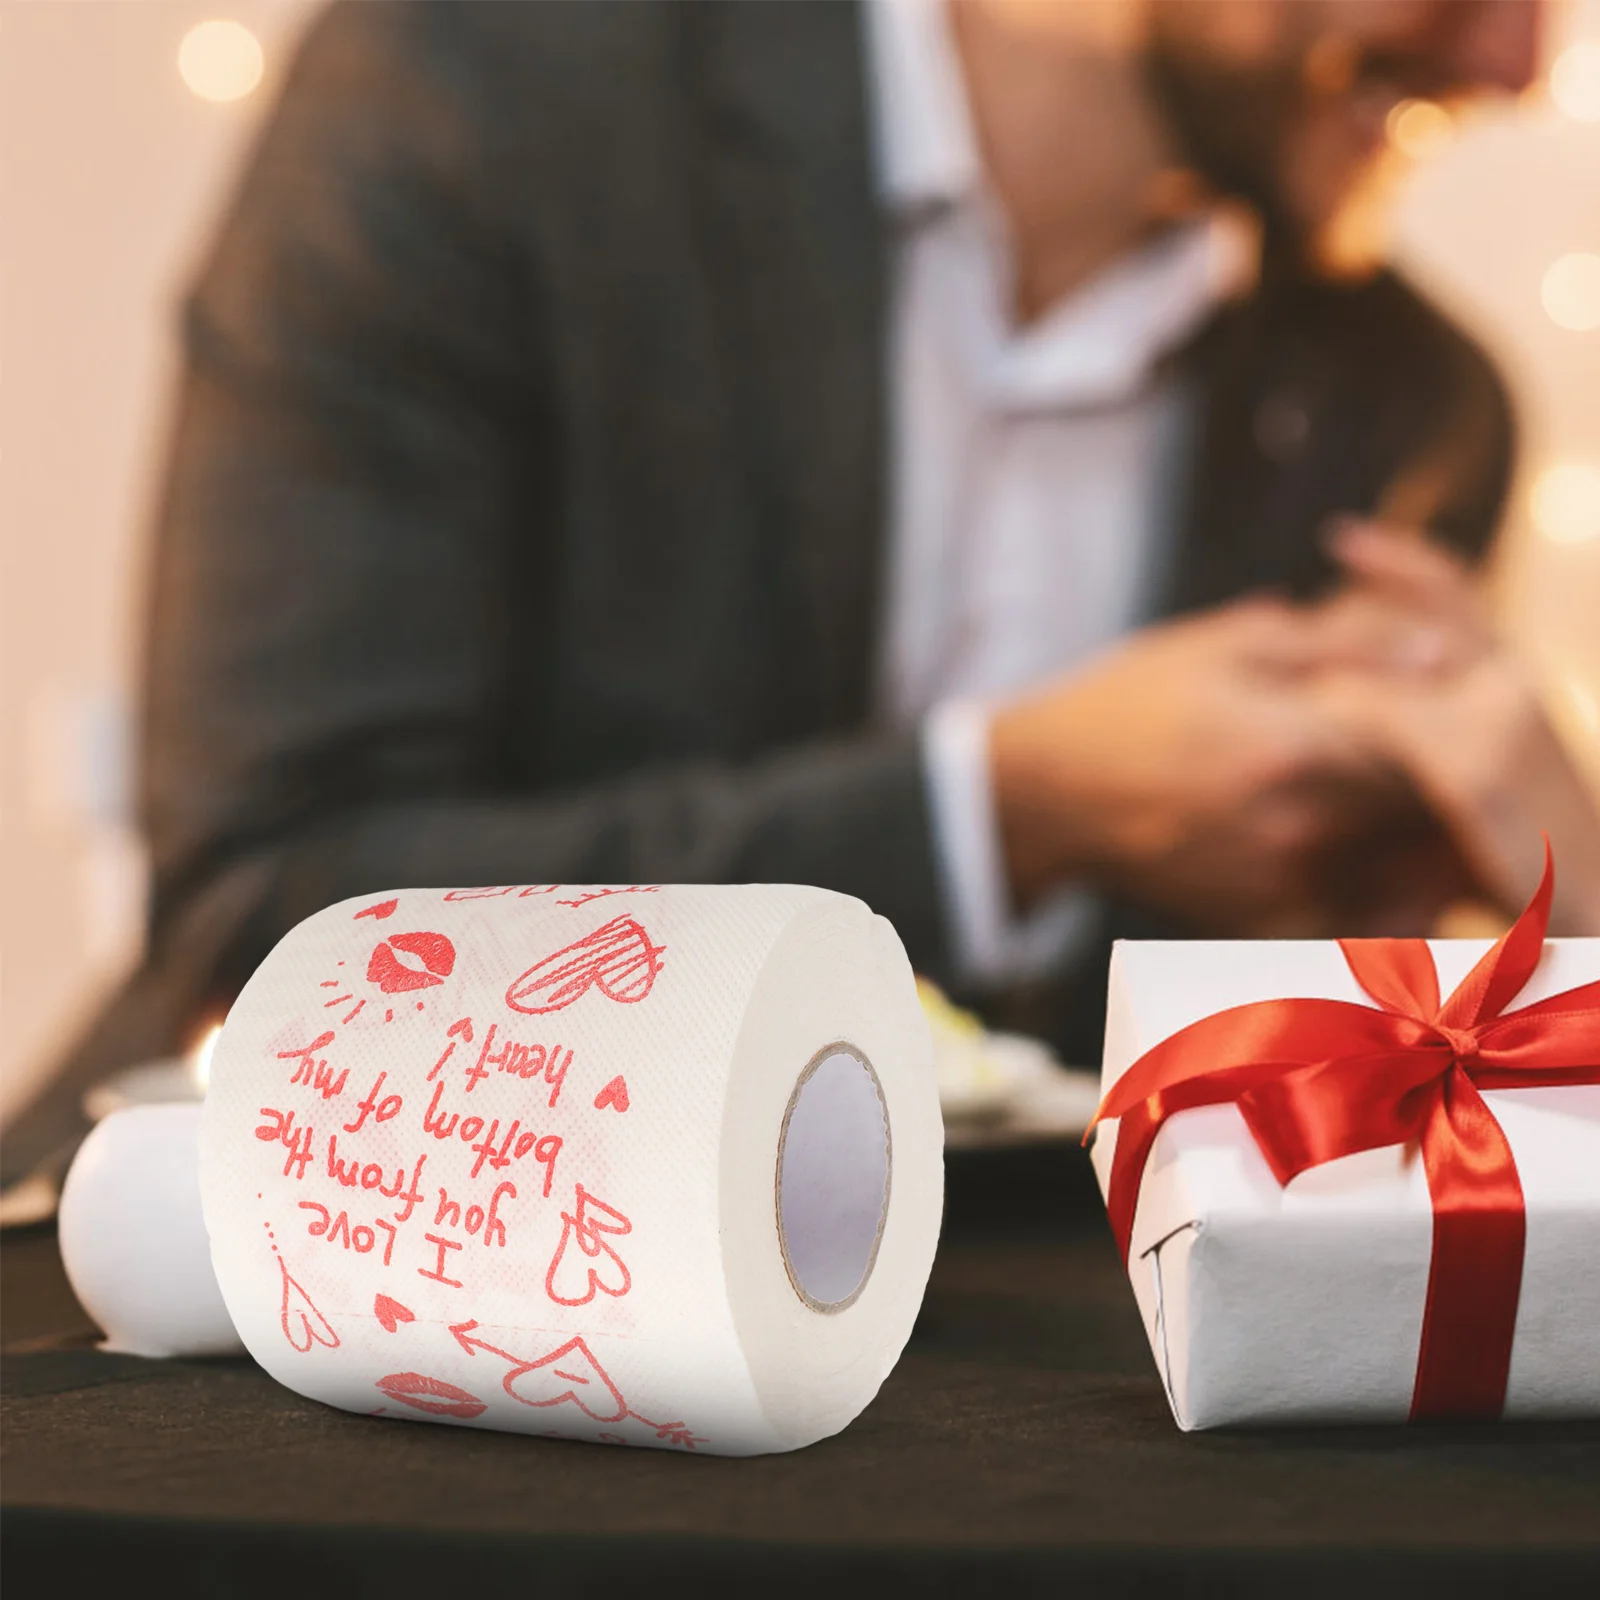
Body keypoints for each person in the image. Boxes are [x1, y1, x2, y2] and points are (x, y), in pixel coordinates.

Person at [3, 0, 1546, 1180]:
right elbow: (275, 913)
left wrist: (1473, 914)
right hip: (323, 1302)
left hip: (1009, 1415)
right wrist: (998, 811)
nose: (1519, 56)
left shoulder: (1413, 408)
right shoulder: (476, 98)